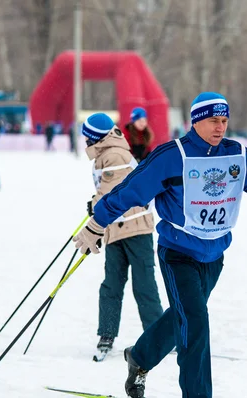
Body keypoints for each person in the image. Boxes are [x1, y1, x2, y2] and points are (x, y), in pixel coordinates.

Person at [72, 92, 247, 398]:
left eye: (224, 120)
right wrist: (98, 223)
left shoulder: (235, 153)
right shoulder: (172, 156)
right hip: (177, 253)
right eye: (213, 121)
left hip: (215, 254)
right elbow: (131, 191)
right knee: (195, 324)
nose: (220, 127)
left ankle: (139, 356)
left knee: (183, 315)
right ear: (196, 122)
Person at [80, 113, 163, 361]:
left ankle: (158, 336)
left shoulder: (115, 154)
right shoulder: (107, 153)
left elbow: (110, 193)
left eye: (86, 135)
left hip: (136, 228)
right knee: (111, 285)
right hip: (116, 229)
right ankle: (106, 334)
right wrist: (94, 207)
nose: (84, 140)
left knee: (144, 284)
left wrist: (95, 209)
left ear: (94, 136)